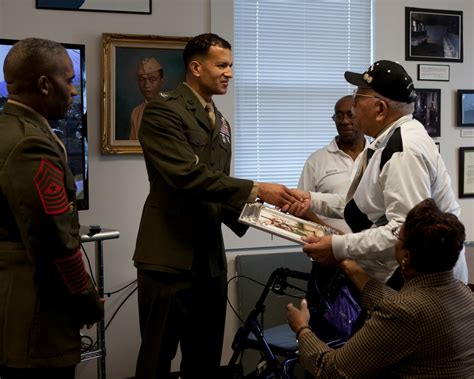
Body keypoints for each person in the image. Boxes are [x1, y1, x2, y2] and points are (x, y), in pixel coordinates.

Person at [133, 33, 301, 379]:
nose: (229, 73)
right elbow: (188, 177)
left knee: (205, 359)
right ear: (196, 67)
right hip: (168, 256)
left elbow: (218, 192)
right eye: (221, 65)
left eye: (231, 66)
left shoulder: (221, 122)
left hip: (208, 260)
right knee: (156, 358)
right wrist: (257, 189)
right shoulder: (162, 110)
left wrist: (272, 218)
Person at [287, 60, 468, 286]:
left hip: (423, 284)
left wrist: (337, 247)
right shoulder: (386, 142)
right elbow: (364, 207)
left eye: (358, 98)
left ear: (380, 109)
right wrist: (311, 200)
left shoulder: (404, 150)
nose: (353, 107)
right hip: (404, 277)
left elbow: (404, 233)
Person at [0, 38, 103, 379]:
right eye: (70, 81)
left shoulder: (7, 129)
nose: (74, 91)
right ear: (45, 84)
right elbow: (54, 241)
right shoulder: (31, 144)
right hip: (36, 311)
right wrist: (85, 299)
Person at [287, 198, 474, 378]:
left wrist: (302, 328)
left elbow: (332, 370)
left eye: (397, 238)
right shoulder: (464, 294)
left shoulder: (404, 311)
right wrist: (347, 263)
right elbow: (399, 305)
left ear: (406, 255)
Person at [297, 94, 366, 234]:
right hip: (327, 248)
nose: (344, 121)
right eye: (339, 116)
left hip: (371, 249)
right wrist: (330, 233)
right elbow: (301, 207)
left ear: (363, 116)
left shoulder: (377, 156)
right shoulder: (316, 160)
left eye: (350, 114)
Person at [129, 57, 164, 139]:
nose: (146, 85)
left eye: (152, 79)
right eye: (142, 79)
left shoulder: (173, 109)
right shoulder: (136, 112)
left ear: (162, 81)